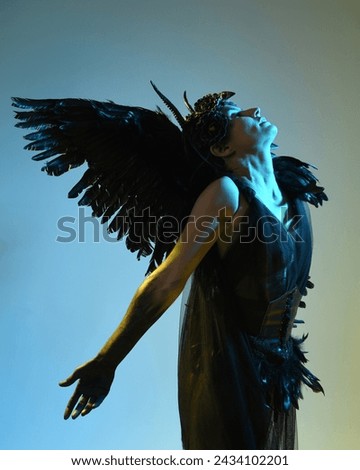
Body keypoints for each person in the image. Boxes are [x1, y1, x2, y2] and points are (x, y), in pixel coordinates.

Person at [13, 86, 327, 449]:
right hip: (232, 369)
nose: (254, 109)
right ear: (222, 149)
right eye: (238, 114)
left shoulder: (293, 191)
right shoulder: (226, 194)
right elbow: (166, 281)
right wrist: (108, 359)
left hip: (279, 370)